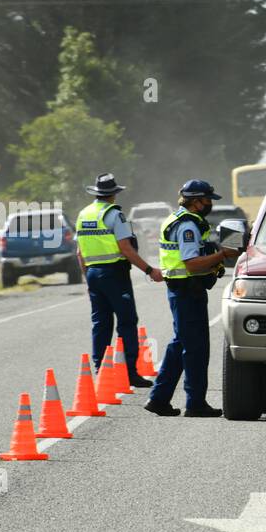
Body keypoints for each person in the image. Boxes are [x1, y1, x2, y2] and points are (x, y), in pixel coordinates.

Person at [144, 179, 238, 418]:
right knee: (195, 348)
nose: (210, 205)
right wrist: (221, 255)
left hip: (183, 290)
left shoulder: (178, 219)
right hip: (187, 290)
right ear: (196, 202)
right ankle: (195, 403)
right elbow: (192, 263)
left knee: (181, 344)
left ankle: (158, 399)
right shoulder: (188, 226)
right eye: (207, 200)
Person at [74, 173, 163, 386]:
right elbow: (126, 249)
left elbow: (79, 253)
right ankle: (130, 373)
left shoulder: (84, 214)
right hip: (114, 274)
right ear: (113, 193)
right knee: (126, 321)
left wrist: (88, 279)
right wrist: (150, 270)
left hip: (93, 273)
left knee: (101, 323)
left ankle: (101, 371)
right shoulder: (115, 214)